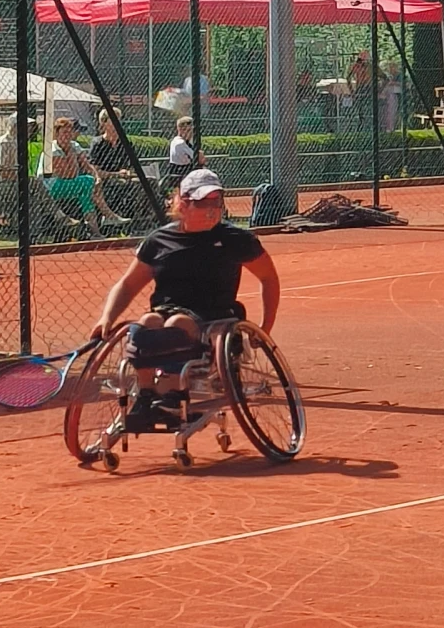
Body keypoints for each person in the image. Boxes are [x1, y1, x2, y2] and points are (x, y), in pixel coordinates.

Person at [88, 168, 281, 428]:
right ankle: (146, 395)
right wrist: (107, 318)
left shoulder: (235, 239)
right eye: (203, 203)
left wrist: (265, 328)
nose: (212, 210)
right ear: (183, 203)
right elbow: (127, 285)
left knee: (177, 324)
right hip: (168, 311)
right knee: (148, 322)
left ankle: (170, 395)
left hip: (215, 318)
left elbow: (269, 278)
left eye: (217, 202)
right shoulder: (160, 240)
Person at [39, 116, 126, 227]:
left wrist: (97, 177)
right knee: (88, 182)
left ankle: (94, 229)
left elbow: (87, 165)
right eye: (64, 132)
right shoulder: (52, 149)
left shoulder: (75, 145)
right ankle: (109, 215)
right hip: (51, 186)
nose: (68, 135)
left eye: (70, 132)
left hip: (72, 183)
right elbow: (70, 174)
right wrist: (71, 153)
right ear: (57, 133)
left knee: (86, 194)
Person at [167, 115, 203, 183]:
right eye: (189, 130)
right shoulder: (180, 143)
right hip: (181, 173)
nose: (192, 133)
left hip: (185, 171)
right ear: (181, 130)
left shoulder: (184, 142)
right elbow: (200, 159)